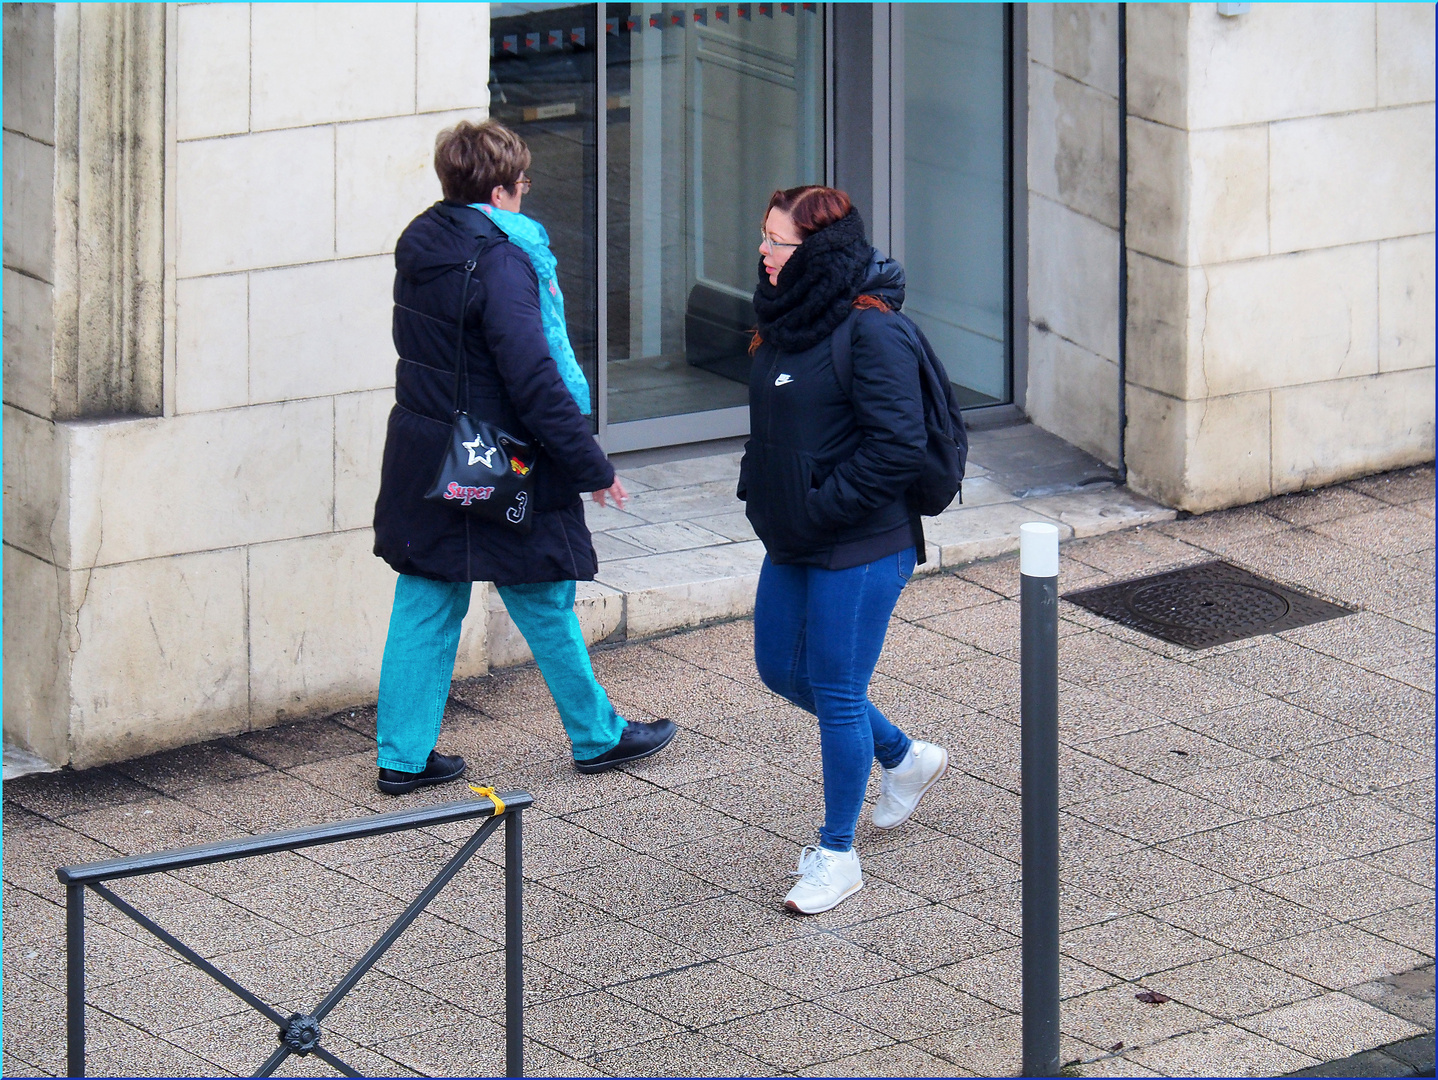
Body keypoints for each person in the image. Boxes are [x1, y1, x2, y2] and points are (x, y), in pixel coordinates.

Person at [370, 119, 676, 795]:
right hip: (492, 455)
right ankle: (597, 736)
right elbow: (532, 376)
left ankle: (403, 755)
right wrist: (588, 463)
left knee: (426, 590)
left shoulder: (422, 240)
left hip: (424, 448)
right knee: (541, 590)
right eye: (524, 183)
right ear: (506, 188)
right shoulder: (504, 260)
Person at [740, 186, 949, 913]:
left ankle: (837, 855)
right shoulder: (785, 317)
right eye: (764, 237)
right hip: (795, 535)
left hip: (862, 540)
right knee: (779, 668)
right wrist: (762, 492)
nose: (763, 252)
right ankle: (904, 755)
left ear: (817, 252)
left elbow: (899, 446)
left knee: (833, 689)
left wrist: (820, 507)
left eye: (777, 241)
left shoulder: (873, 332)